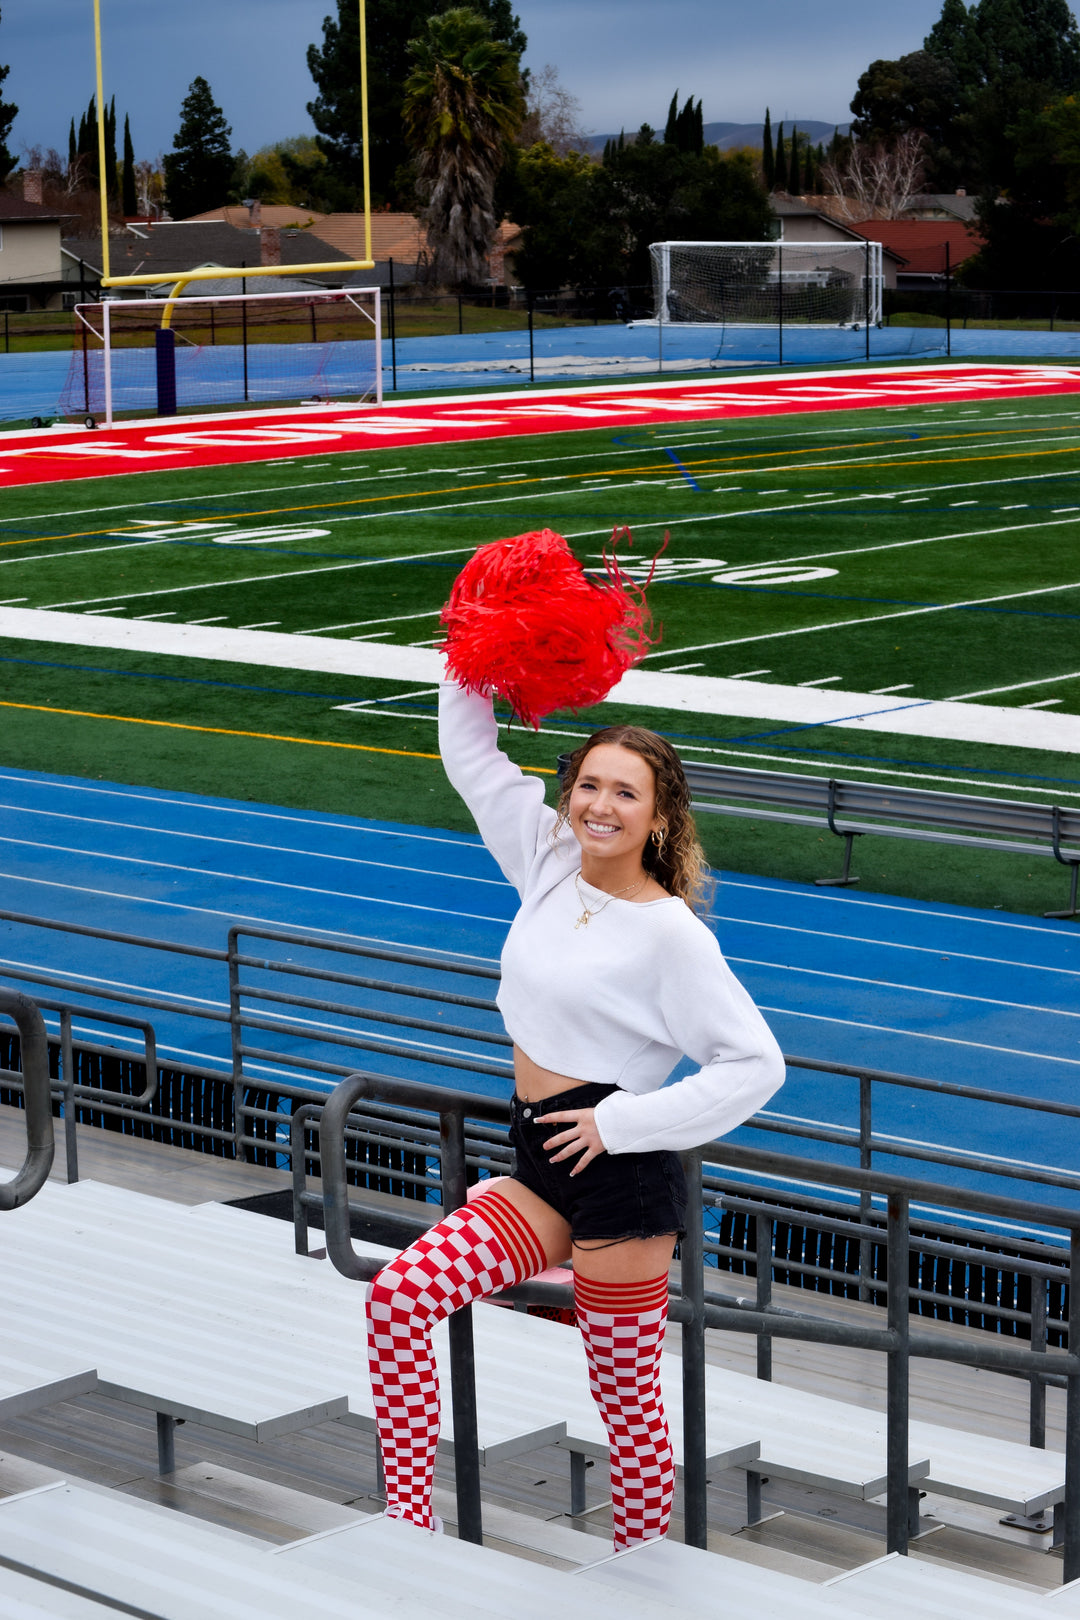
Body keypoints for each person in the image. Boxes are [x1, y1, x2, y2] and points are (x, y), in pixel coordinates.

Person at [366, 675, 786, 1545]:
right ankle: (409, 1526)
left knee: (623, 1396)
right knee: (401, 1298)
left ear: (659, 817)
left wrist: (621, 1123)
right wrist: (466, 652)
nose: (600, 805)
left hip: (622, 1180)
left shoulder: (673, 934)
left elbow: (756, 1065)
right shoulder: (547, 858)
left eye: (625, 793)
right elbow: (470, 757)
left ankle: (641, 1567)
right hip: (537, 1164)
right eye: (588, 785)